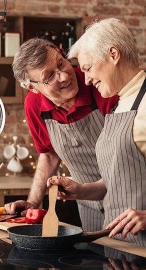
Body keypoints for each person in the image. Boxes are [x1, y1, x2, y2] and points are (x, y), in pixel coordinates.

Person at [48, 18, 146, 246]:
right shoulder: (119, 104)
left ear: (113, 54)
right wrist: (80, 191)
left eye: (88, 68)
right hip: (119, 248)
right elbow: (118, 182)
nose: (88, 79)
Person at [4, 37, 118, 231]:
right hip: (87, 204)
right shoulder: (34, 105)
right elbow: (49, 154)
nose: (64, 76)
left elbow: (128, 150)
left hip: (129, 197)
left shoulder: (96, 84)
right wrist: (33, 202)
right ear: (32, 87)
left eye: (61, 63)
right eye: (49, 76)